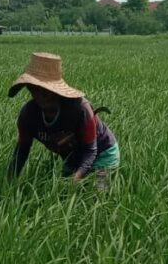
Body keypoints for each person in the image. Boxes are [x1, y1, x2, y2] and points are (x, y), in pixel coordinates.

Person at [7, 52, 119, 188]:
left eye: (44, 89)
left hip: (102, 152)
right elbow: (22, 150)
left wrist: (76, 179)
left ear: (55, 90)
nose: (40, 94)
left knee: (97, 193)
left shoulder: (79, 109)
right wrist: (9, 183)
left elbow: (90, 151)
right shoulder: (28, 115)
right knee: (63, 194)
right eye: (34, 88)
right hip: (71, 156)